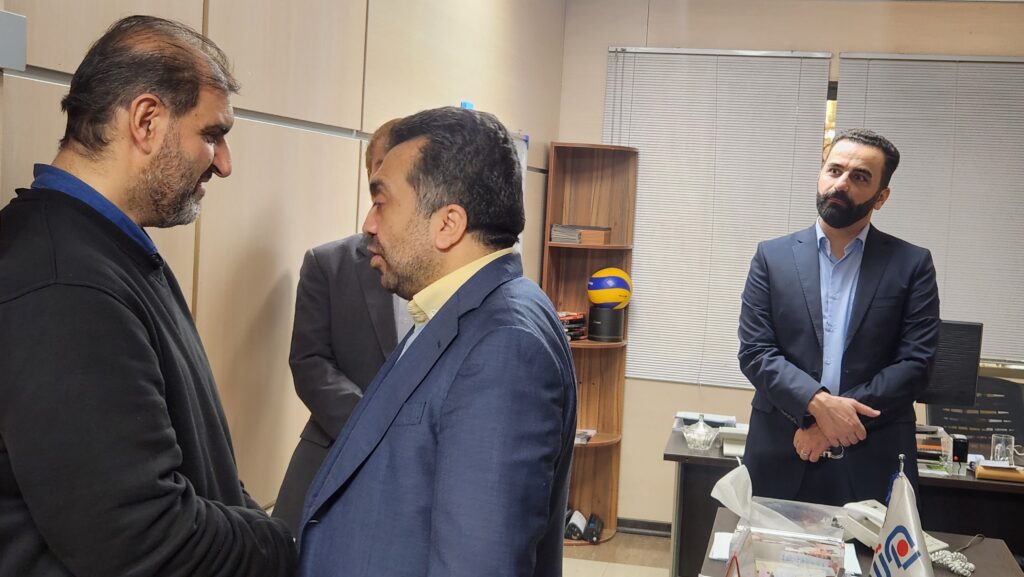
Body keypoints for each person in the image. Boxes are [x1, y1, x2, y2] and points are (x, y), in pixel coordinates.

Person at [0, 16, 296, 576]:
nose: (224, 163)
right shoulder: (63, 284)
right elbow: (141, 537)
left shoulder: (104, 251)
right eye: (212, 134)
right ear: (146, 121)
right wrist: (283, 546)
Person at [296, 107, 577, 577]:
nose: (368, 224)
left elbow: (478, 564)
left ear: (447, 224)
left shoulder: (505, 347)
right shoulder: (458, 308)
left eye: (381, 201)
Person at [738, 129, 940, 506]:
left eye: (859, 177)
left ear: (881, 197)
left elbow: (916, 364)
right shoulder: (772, 257)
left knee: (869, 548)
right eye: (834, 170)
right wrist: (818, 404)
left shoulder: (911, 265)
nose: (841, 183)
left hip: (873, 456)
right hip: (781, 450)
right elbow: (755, 352)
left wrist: (830, 426)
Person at [272, 118, 412, 533]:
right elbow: (310, 363)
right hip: (334, 451)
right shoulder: (327, 264)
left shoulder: (460, 279)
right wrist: (375, 430)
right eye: (378, 172)